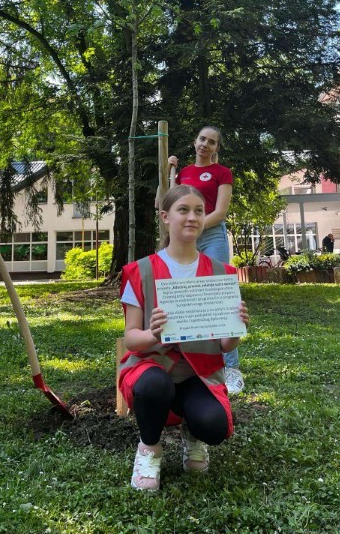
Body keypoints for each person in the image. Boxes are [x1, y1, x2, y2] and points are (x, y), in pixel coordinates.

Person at [119, 184, 249, 491]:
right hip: (152, 368)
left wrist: (236, 328)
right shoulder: (141, 270)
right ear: (165, 216)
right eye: (183, 210)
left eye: (199, 211)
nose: (192, 217)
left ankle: (193, 435)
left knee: (214, 426)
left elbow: (225, 345)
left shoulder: (221, 273)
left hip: (197, 374)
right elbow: (131, 340)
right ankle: (149, 449)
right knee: (153, 385)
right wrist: (152, 334)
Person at [168, 126, 244, 395]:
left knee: (220, 296)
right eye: (202, 139)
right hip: (186, 237)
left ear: (216, 148)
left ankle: (232, 369)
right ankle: (193, 365)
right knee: (187, 295)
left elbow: (220, 212)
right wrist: (171, 172)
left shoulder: (222, 173)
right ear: (195, 141)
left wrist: (195, 227)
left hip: (211, 236)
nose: (205, 144)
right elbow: (169, 203)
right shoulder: (184, 173)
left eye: (211, 142)